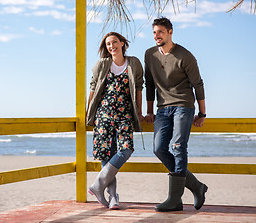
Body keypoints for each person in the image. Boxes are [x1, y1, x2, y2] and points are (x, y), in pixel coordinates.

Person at [144, 17, 208, 212]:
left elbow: (198, 85)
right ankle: (196, 186)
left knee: (178, 146)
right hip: (162, 108)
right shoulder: (150, 55)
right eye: (154, 32)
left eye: (161, 32)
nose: (157, 36)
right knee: (159, 148)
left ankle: (175, 199)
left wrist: (202, 113)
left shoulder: (185, 56)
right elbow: (150, 83)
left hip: (183, 105)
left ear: (170, 32)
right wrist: (149, 110)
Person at [86, 32, 144, 209]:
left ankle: (98, 185)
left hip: (125, 114)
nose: (112, 46)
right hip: (103, 115)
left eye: (114, 42)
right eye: (108, 44)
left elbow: (139, 89)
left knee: (126, 150)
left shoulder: (133, 63)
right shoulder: (102, 64)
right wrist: (88, 112)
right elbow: (94, 89)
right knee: (107, 155)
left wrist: (139, 113)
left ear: (122, 43)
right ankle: (113, 197)